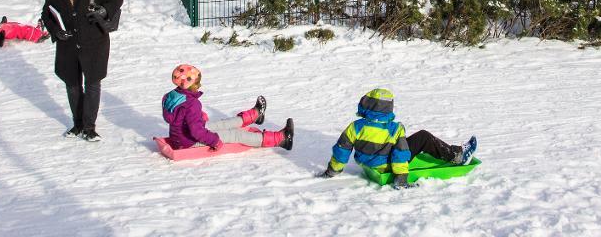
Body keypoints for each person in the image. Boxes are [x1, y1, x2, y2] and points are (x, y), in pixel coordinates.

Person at [318, 88, 477, 188]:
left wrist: (332, 171)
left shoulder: (355, 126)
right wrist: (401, 178)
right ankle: (457, 156)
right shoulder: (395, 128)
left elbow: (341, 151)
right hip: (387, 167)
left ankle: (452, 153)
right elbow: (400, 155)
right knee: (423, 137)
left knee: (401, 143)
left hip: (368, 164)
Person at [41, 0, 123, 142]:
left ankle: (89, 127)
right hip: (67, 45)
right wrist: (55, 31)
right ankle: (77, 124)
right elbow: (46, 13)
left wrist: (103, 11)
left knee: (93, 84)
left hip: (94, 44)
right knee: (72, 85)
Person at [163, 64, 293, 151]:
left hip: (179, 137)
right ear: (191, 84)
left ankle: (255, 115)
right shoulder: (192, 104)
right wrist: (214, 141)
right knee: (236, 135)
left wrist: (198, 115)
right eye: (198, 82)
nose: (200, 85)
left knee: (220, 124)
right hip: (188, 141)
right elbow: (196, 132)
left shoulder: (170, 96)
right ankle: (281, 139)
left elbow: (178, 114)